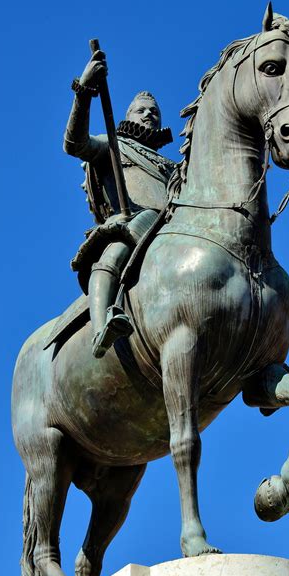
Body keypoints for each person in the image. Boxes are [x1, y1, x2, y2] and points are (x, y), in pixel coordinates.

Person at [64, 49, 176, 357]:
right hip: (130, 225)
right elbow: (75, 143)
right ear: (127, 115)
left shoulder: (173, 167)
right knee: (116, 252)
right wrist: (84, 91)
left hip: (172, 233)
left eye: (154, 111)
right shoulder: (113, 146)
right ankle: (103, 326)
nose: (149, 114)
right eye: (142, 110)